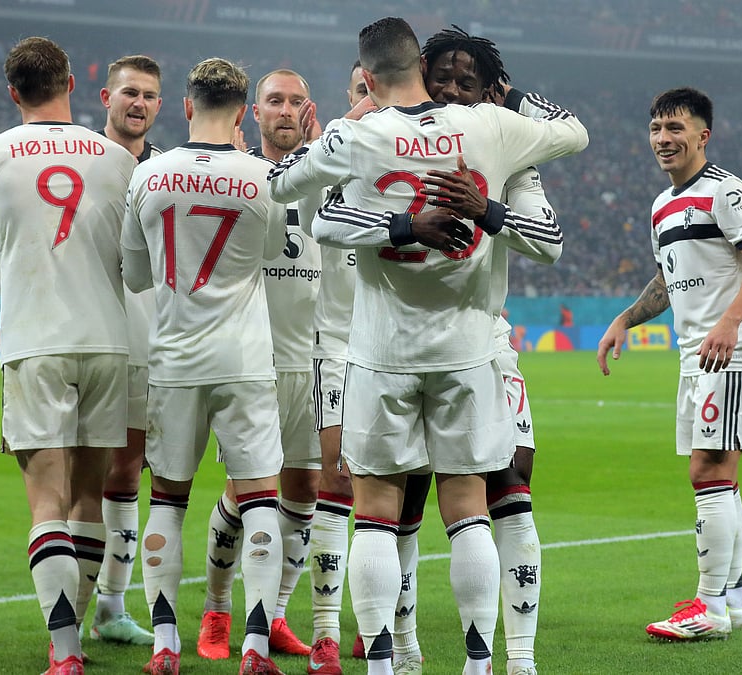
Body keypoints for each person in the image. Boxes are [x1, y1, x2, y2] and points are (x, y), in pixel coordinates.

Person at [270, 17, 587, 675]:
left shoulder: (358, 135)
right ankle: (478, 662)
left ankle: (383, 664)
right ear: (421, 67)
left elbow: (287, 188)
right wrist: (509, 95)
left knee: (376, 514)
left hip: (381, 351)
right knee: (467, 509)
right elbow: (574, 130)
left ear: (367, 75)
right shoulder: (491, 127)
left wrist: (391, 205)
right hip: (466, 350)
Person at [0, 37, 137, 675]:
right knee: (89, 498)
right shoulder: (118, 158)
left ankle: (63, 655)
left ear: (13, 92)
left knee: (46, 502)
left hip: (36, 343)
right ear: (71, 82)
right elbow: (136, 260)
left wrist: (17, 257)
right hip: (108, 342)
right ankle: (75, 635)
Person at [122, 57, 288, 675]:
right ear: (243, 112)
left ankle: (165, 645)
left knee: (168, 500)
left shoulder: (148, 174)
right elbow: (270, 254)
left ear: (187, 106)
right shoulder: (263, 176)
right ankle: (255, 648)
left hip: (173, 358)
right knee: (261, 500)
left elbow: (135, 274)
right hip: (244, 359)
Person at [597, 86, 742, 641]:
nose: (663, 138)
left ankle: (709, 607)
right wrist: (625, 319)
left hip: (731, 354)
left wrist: (729, 322)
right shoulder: (661, 205)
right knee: (723, 477)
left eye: (675, 128)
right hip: (695, 357)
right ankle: (733, 601)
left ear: (703, 135)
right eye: (656, 128)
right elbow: (667, 280)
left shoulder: (727, 191)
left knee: (709, 472)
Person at [197, 68, 322, 663]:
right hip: (254, 358)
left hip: (312, 358)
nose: (286, 110)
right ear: (254, 112)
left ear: (309, 111)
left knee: (305, 490)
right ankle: (218, 609)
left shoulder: (326, 173)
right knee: (249, 492)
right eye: (275, 100)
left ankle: (273, 614)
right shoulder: (239, 175)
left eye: (297, 101)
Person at [87, 53, 165, 648]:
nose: (138, 103)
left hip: (152, 338)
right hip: (91, 337)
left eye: (149, 95)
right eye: (129, 93)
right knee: (82, 475)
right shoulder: (84, 163)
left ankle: (111, 608)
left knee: (130, 470)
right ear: (106, 97)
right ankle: (71, 607)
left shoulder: (167, 171)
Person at [303, 59, 371, 675]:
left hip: (403, 348)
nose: (371, 100)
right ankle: (326, 631)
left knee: (403, 488)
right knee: (338, 481)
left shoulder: (416, 156)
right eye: (361, 91)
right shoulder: (327, 160)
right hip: (340, 347)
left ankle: (382, 623)